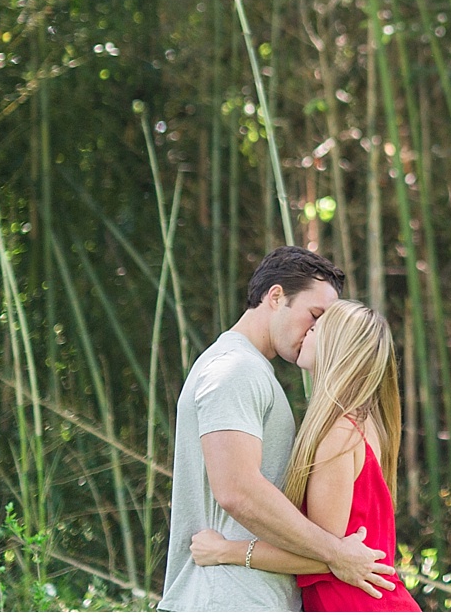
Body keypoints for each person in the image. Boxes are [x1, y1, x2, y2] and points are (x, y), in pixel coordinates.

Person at [158, 247, 399, 611]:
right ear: (276, 296)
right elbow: (238, 490)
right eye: (315, 316)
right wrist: (337, 553)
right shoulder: (235, 370)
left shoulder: (257, 375)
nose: (315, 331)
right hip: (229, 598)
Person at [190, 299, 421, 612]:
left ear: (335, 347)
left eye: (315, 328)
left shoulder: (340, 434)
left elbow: (322, 555)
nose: (305, 333)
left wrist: (225, 551)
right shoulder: (365, 425)